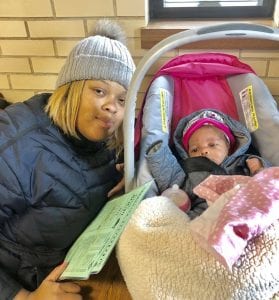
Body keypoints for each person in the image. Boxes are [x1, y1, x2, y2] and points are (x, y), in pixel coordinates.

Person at [0, 19, 135, 300]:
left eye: (122, 100)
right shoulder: (15, 145)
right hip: (27, 282)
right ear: (71, 88)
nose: (112, 107)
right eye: (99, 90)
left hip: (74, 264)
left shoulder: (100, 137)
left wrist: (126, 172)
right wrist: (24, 297)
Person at [146, 109, 271, 219]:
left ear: (229, 147)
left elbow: (267, 183)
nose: (203, 151)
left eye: (212, 145)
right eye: (195, 149)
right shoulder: (189, 169)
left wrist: (258, 168)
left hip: (241, 209)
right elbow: (171, 179)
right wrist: (159, 155)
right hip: (203, 214)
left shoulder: (241, 162)